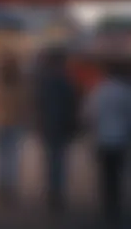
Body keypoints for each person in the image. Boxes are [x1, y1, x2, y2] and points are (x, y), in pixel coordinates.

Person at [82, 58, 131, 226]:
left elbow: (88, 114)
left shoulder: (98, 91)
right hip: (120, 139)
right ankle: (115, 204)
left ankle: (107, 204)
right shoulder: (125, 91)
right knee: (117, 174)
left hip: (102, 139)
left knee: (104, 175)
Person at [33, 46, 80, 212]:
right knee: (59, 161)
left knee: (50, 161)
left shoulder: (43, 80)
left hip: (48, 126)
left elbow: (38, 104)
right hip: (62, 126)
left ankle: (52, 192)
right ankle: (57, 192)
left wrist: (38, 123)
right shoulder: (67, 80)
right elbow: (73, 104)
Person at [0, 52, 27, 202]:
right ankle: (10, 187)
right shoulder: (19, 83)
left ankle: (1, 187)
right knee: (12, 158)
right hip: (14, 123)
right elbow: (24, 103)